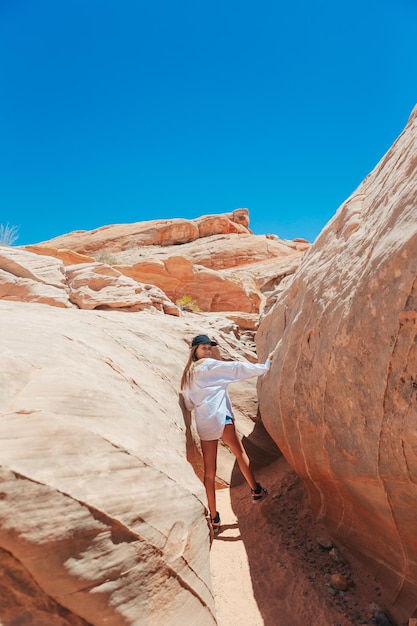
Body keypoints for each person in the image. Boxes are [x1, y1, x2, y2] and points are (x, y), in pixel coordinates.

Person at [180, 333, 274, 534]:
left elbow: (188, 403)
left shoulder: (188, 376)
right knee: (239, 454)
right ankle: (256, 491)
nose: (207, 350)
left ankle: (214, 518)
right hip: (222, 418)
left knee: (209, 472)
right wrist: (264, 367)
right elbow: (235, 369)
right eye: (203, 347)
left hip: (205, 423)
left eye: (209, 347)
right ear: (195, 350)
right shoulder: (210, 365)